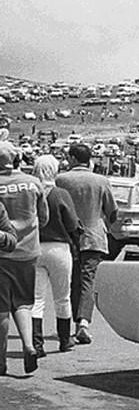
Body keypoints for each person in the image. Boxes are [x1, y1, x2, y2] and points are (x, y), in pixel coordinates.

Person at [56, 144, 117, 345]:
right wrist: (106, 223)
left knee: (71, 281)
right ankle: (83, 323)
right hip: (94, 236)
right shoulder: (101, 181)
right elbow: (112, 211)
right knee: (87, 281)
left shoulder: (62, 180)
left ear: (73, 158)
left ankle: (71, 322)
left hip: (68, 237)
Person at [0, 141, 48, 375]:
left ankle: (1, 361)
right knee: (23, 302)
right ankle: (29, 346)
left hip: (2, 252)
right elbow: (44, 217)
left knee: (1, 308)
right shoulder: (33, 183)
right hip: (28, 251)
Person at [32, 155, 82, 356]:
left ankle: (36, 343)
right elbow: (72, 224)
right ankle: (64, 339)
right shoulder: (61, 194)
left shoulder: (32, 193)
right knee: (63, 297)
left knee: (36, 299)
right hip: (59, 248)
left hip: (35, 247)